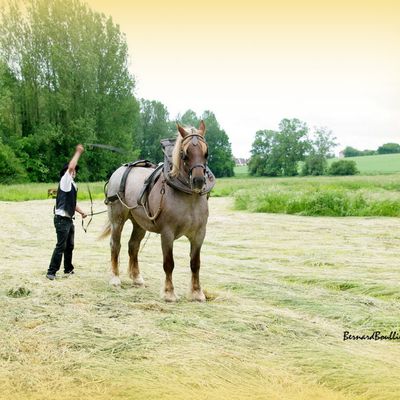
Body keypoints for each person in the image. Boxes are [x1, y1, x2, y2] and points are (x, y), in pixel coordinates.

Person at [46, 144, 88, 280]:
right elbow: (70, 167)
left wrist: (82, 212)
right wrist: (78, 152)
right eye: (73, 169)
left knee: (69, 246)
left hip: (68, 220)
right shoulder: (65, 180)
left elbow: (73, 204)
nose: (74, 171)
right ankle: (51, 272)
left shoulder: (72, 185)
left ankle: (68, 269)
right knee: (61, 246)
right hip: (61, 219)